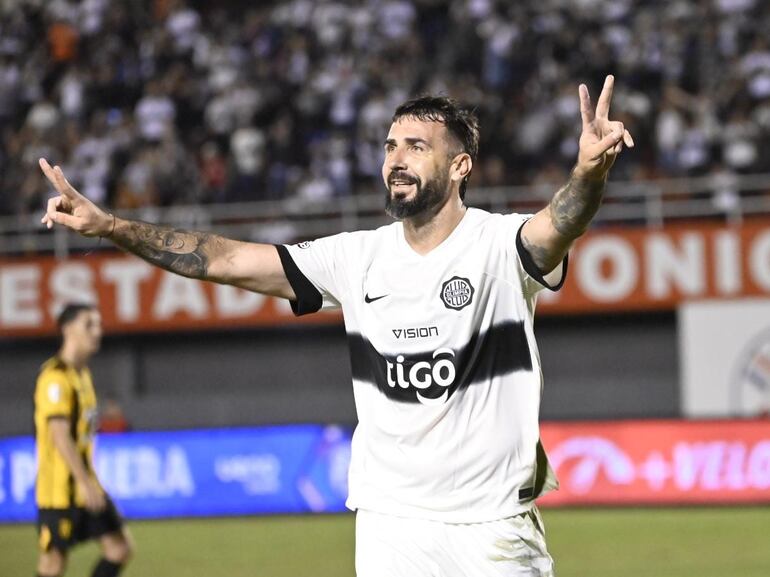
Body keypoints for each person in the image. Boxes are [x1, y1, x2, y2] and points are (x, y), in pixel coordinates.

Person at [40, 75, 633, 576]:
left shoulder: (499, 245)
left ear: (460, 166)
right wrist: (112, 225)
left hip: (492, 529)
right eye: (390, 145)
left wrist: (588, 173)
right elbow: (222, 258)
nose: (395, 159)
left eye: (415, 146)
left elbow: (562, 223)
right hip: (390, 526)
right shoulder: (355, 258)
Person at [33, 303, 133, 577]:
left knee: (120, 548)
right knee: (52, 565)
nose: (97, 331)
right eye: (89, 324)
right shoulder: (55, 377)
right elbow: (59, 435)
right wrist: (84, 482)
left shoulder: (83, 375)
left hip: (87, 485)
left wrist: (90, 483)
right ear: (68, 329)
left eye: (98, 324)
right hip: (60, 493)